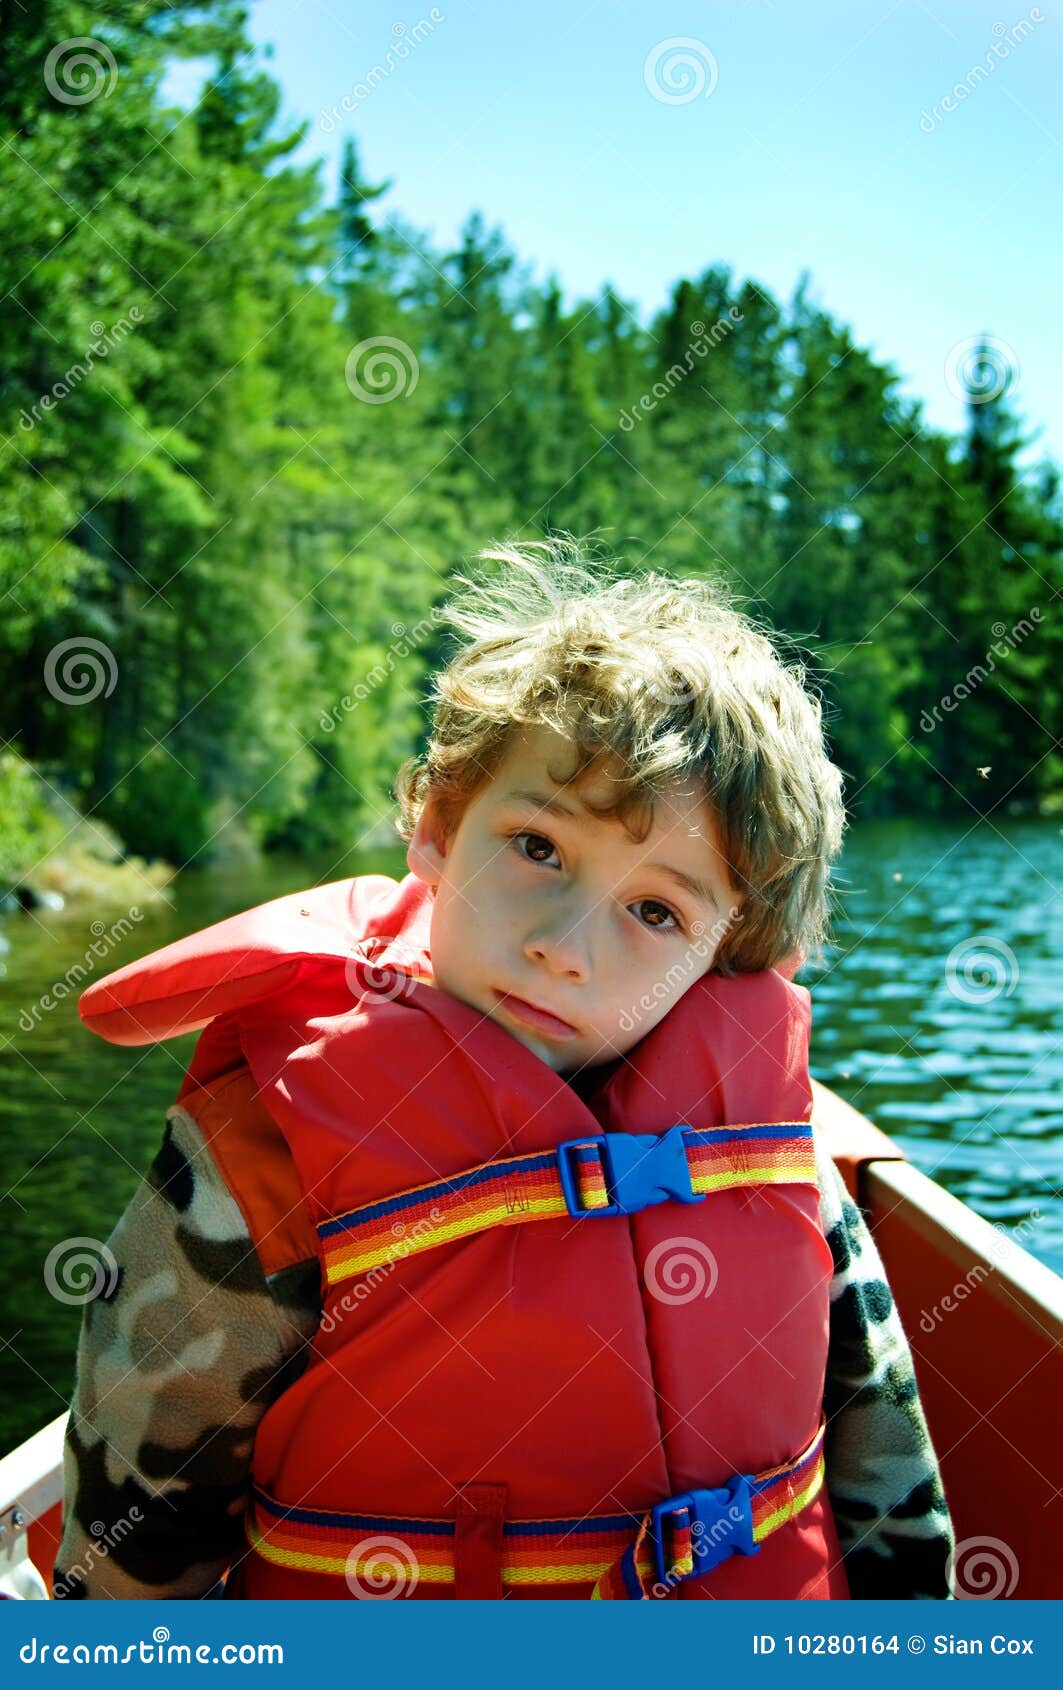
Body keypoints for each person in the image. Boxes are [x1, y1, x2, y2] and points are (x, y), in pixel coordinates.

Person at [56, 536, 953, 1600]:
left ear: (736, 954)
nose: (564, 947)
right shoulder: (267, 1149)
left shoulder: (758, 1142)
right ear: (440, 824)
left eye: (654, 911)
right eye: (537, 847)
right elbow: (136, 1536)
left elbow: (882, 1454)